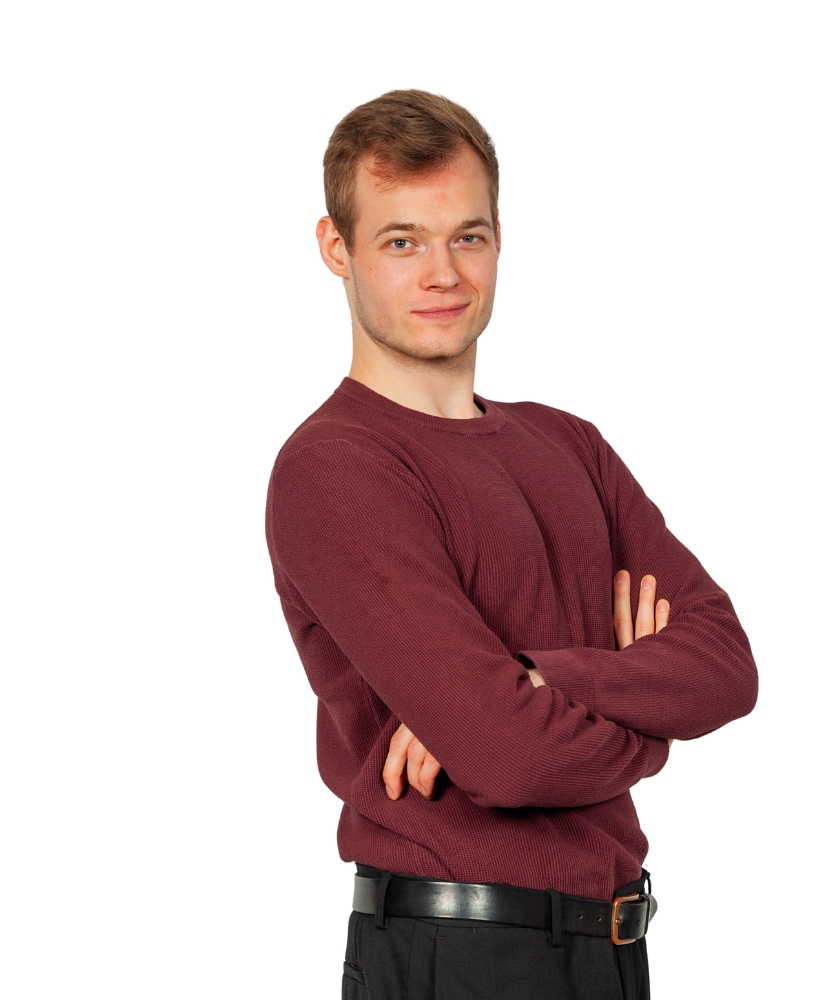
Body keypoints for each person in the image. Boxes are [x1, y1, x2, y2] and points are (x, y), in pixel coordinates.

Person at [264, 89, 757, 1000]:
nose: (443, 273)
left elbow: (727, 667)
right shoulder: (336, 469)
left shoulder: (568, 443)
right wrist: (649, 716)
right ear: (337, 249)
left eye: (469, 236)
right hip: (459, 956)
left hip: (613, 949)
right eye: (402, 240)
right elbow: (511, 755)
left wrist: (545, 676)